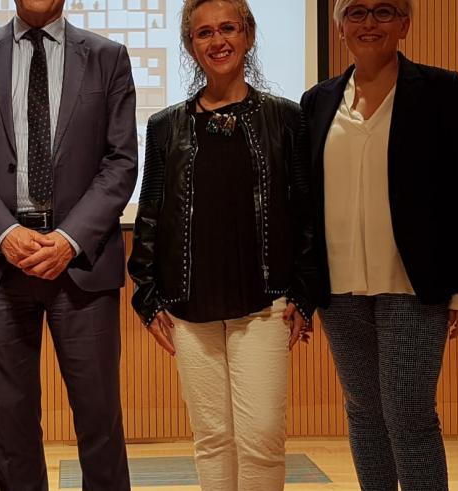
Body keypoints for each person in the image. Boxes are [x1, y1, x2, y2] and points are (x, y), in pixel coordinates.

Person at [0, 0, 137, 488]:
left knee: (99, 422)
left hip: (82, 263)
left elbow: (121, 161)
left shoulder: (108, 56)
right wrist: (5, 234)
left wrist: (69, 239)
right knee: (12, 424)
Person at [296, 1, 458, 489]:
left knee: (408, 411)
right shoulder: (317, 101)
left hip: (413, 282)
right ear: (339, 27)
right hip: (338, 287)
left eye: (384, 11)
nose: (369, 24)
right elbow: (302, 202)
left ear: (405, 24)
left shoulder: (440, 90)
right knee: (363, 411)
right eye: (356, 12)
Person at [128, 1, 312, 489]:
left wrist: (306, 292)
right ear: (191, 46)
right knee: (211, 438)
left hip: (266, 303)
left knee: (263, 438)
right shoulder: (165, 126)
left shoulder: (287, 119)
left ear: (248, 35)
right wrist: (146, 296)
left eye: (227, 28)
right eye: (203, 33)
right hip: (189, 307)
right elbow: (150, 214)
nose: (217, 41)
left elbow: (306, 213)